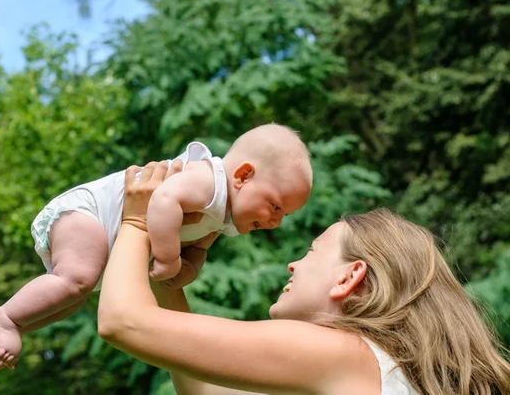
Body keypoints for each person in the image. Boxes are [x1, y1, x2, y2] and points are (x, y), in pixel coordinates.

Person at [97, 161, 510, 395]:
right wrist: (168, 282)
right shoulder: (384, 372)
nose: (293, 264)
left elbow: (123, 321)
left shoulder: (345, 354)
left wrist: (135, 220)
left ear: (349, 277)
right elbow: (209, 392)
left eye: (312, 251)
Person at [0, 124, 313, 371]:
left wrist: (191, 266)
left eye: (284, 215)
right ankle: (5, 318)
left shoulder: (223, 217)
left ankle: (16, 325)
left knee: (77, 292)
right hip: (89, 213)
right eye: (275, 206)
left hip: (104, 236)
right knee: (77, 279)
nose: (276, 221)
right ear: (242, 175)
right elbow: (164, 201)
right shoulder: (209, 182)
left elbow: (199, 245)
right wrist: (168, 259)